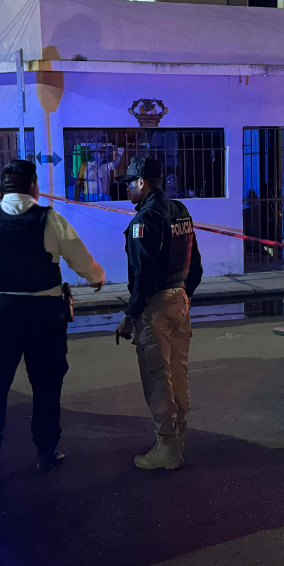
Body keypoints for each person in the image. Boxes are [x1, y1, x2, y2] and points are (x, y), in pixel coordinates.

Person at [0, 160, 105, 474]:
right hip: (44, 318)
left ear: (0, 190)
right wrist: (96, 277)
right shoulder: (51, 219)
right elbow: (81, 259)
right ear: (34, 187)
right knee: (47, 387)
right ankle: (46, 451)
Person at [113, 156, 202, 471]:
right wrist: (182, 295)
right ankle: (178, 438)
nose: (127, 190)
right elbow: (196, 264)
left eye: (129, 184)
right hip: (179, 300)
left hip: (157, 307)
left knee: (157, 378)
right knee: (178, 373)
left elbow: (144, 276)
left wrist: (130, 316)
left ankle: (167, 447)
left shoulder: (144, 221)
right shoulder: (180, 211)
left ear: (142, 183)